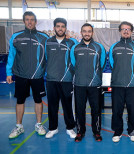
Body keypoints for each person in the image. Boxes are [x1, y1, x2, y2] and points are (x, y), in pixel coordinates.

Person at [6, 11, 49, 139]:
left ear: (36, 22)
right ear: (23, 21)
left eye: (32, 19)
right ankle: (19, 126)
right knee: (20, 100)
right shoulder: (16, 37)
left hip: (38, 75)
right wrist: (9, 73)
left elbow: (48, 56)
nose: (29, 22)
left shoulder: (44, 37)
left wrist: (45, 71)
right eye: (27, 19)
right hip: (21, 75)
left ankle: (39, 124)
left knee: (38, 100)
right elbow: (12, 56)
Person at [108, 21, 134, 143]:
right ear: (119, 31)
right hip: (117, 84)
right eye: (123, 29)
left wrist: (133, 77)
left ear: (131, 32)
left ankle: (131, 130)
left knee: (132, 109)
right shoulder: (114, 46)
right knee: (116, 109)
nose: (126, 31)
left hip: (132, 85)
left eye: (128, 29)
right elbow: (112, 64)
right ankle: (117, 131)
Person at [70, 23, 106, 142]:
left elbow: (102, 64)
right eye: (84, 31)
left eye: (89, 31)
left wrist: (95, 76)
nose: (87, 33)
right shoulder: (75, 48)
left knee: (96, 110)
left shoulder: (99, 47)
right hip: (79, 84)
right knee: (80, 109)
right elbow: (73, 64)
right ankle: (80, 131)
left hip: (95, 84)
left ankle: (96, 132)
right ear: (81, 33)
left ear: (92, 32)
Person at [44, 18, 77, 139]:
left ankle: (70, 128)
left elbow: (75, 60)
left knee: (67, 105)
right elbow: (45, 58)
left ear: (66, 28)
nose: (60, 28)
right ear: (54, 28)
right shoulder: (47, 42)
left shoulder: (71, 43)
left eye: (63, 26)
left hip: (67, 80)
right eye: (58, 26)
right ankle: (53, 128)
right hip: (51, 80)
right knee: (52, 105)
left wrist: (72, 73)